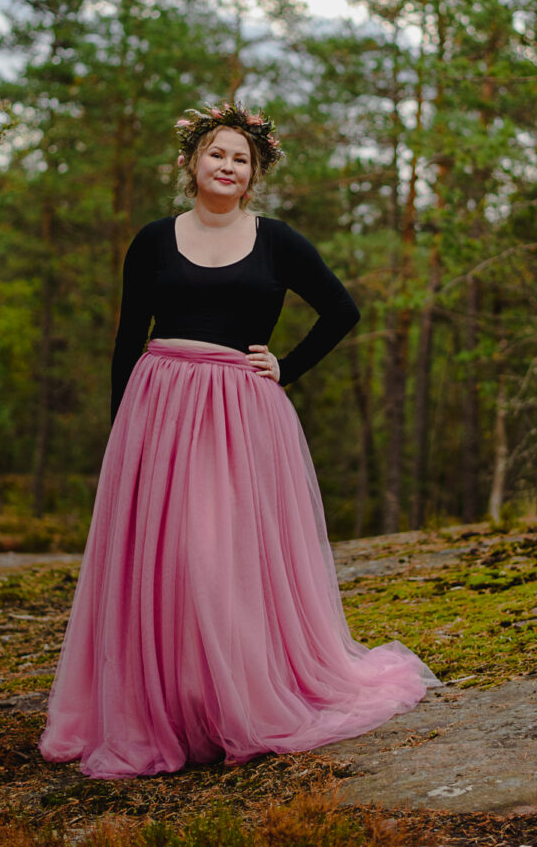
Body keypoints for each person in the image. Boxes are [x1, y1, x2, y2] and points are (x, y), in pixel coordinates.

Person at [39, 102, 438, 779]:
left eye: (240, 160)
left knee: (219, 555)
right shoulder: (152, 240)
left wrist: (286, 365)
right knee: (167, 559)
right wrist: (121, 436)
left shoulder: (277, 241)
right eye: (216, 154)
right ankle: (167, 709)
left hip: (239, 412)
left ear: (253, 175)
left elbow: (343, 310)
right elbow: (127, 337)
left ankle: (233, 702)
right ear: (191, 163)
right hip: (159, 404)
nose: (226, 166)